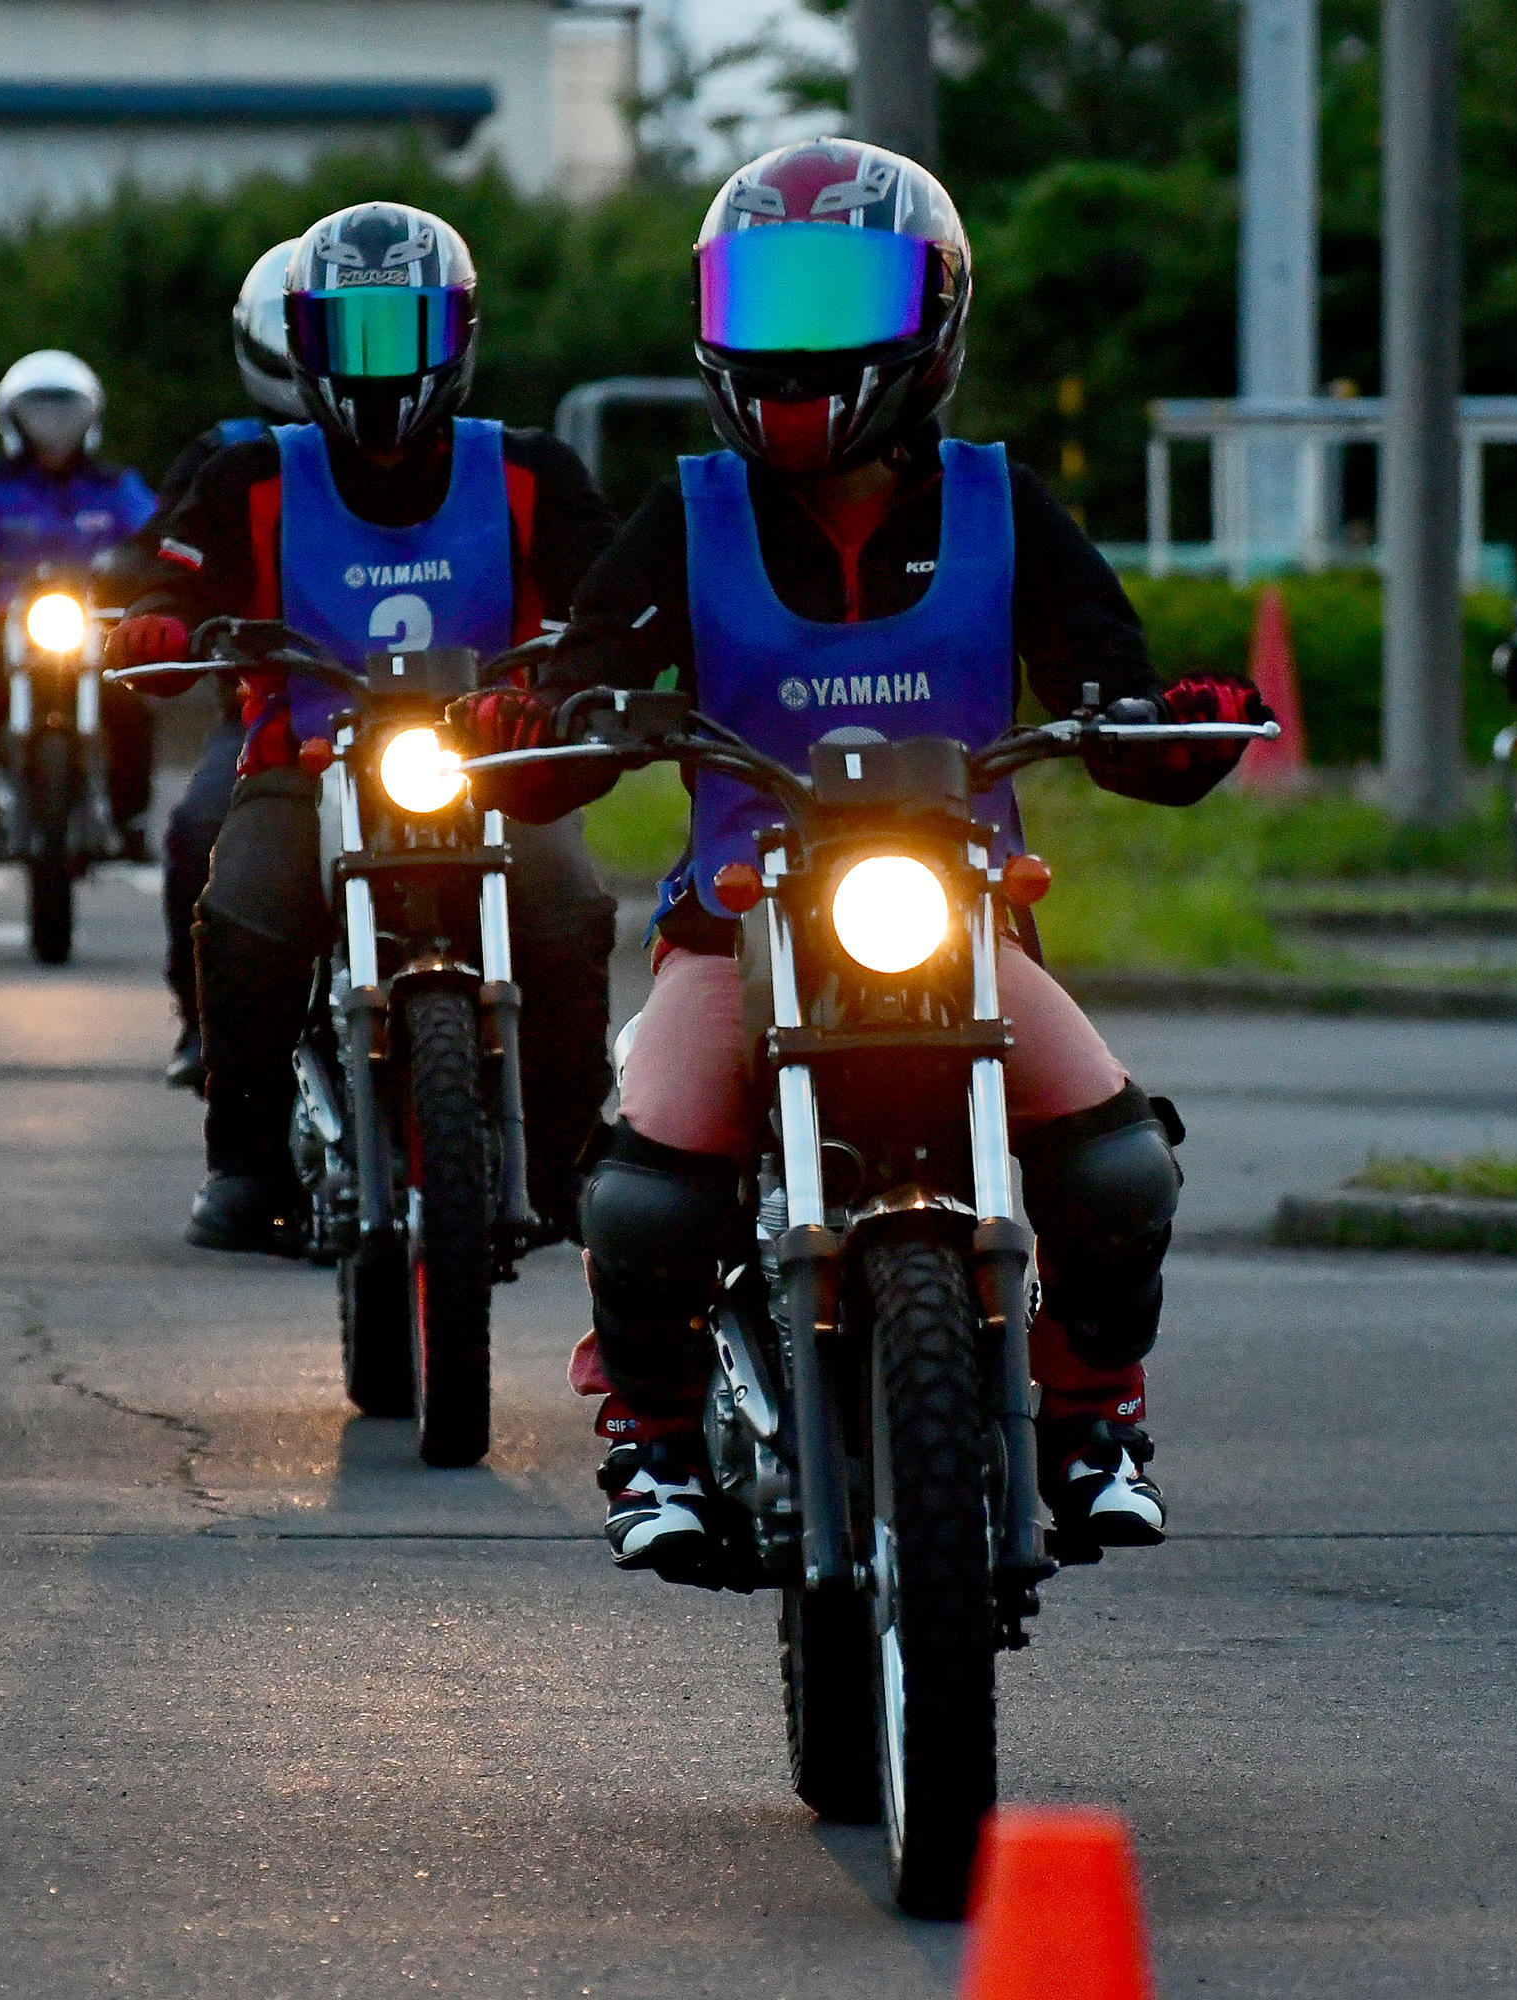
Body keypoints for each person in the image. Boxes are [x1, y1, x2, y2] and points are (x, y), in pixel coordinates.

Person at [451, 140, 1267, 1576]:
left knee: (1122, 1172)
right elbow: (584, 679)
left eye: (839, 293)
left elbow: (1111, 680)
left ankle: (1090, 1419)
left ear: (934, 313)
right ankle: (651, 1436)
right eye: (764, 294)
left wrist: (1174, 726)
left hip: (965, 926)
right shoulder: (688, 512)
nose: (797, 340)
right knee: (646, 1191)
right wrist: (543, 713)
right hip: (734, 928)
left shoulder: (1005, 504)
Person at [106, 202, 622, 1252]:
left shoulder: (529, 471)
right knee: (244, 913)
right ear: (302, 344)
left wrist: (571, 675)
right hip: (303, 767)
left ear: (458, 335)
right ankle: (245, 1165)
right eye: (350, 336)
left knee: (567, 908)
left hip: (490, 763)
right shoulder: (249, 476)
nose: (380, 367)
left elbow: (607, 598)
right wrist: (157, 618)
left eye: (406, 333)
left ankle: (568, 1154)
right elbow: (167, 572)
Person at [100, 239, 309, 1089]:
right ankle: (203, 1021)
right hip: (270, 715)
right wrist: (155, 614)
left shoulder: (459, 458)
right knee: (196, 832)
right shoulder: (225, 456)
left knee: (543, 876)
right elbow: (161, 561)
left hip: (433, 724)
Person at [0, 351, 159, 862]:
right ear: (13, 418)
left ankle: (132, 820)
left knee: (133, 706)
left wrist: (160, 552)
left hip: (92, 620)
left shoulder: (114, 484)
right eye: (40, 412)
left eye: (66, 413)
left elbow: (158, 527)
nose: (54, 426)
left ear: (90, 417)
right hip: (8, 617)